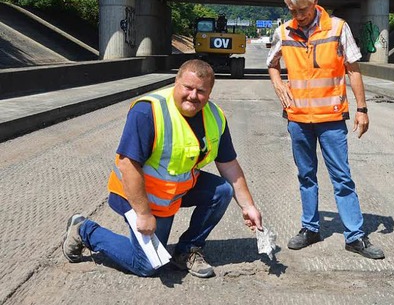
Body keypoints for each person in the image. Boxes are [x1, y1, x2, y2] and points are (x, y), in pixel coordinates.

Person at [62, 59, 263, 278]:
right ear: (176, 82)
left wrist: (248, 206)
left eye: (201, 91)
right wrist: (143, 213)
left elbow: (229, 164)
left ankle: (187, 250)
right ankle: (85, 230)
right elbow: (128, 165)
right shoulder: (148, 111)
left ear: (210, 92)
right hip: (138, 195)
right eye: (188, 88)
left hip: (173, 192)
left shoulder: (215, 117)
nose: (193, 96)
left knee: (223, 190)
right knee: (147, 265)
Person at [266, 0, 384, 260]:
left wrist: (362, 109)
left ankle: (354, 235)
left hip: (331, 118)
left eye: (303, 10)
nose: (298, 16)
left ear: (315, 2)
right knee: (306, 175)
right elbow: (272, 63)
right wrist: (279, 84)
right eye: (293, 10)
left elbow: (353, 69)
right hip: (298, 119)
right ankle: (310, 228)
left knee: (342, 177)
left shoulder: (337, 28)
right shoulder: (283, 32)